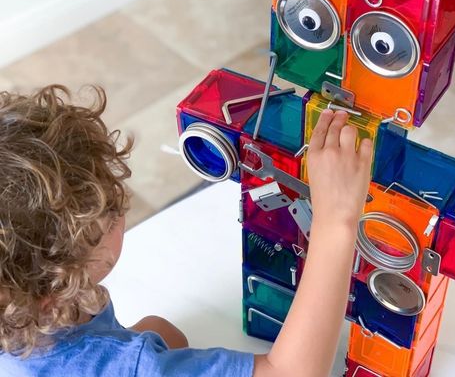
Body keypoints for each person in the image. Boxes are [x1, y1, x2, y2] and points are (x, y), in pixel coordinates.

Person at [0, 85, 372, 377]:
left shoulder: (21, 309)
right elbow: (293, 374)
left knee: (161, 329)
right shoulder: (134, 366)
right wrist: (335, 221)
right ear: (51, 292)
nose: (122, 202)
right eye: (110, 212)